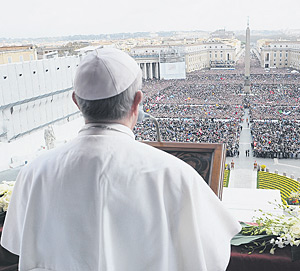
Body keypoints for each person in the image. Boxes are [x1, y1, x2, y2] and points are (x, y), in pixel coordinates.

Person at [1, 48, 241, 271]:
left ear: (76, 101)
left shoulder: (33, 173)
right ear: (138, 101)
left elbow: (16, 244)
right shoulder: (176, 174)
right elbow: (213, 255)